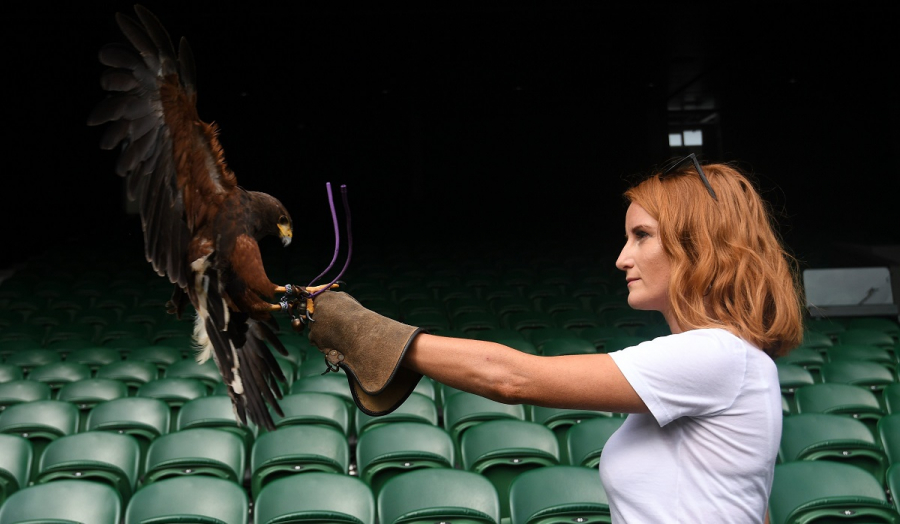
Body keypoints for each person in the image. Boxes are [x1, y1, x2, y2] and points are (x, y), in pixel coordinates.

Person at [307, 155, 804, 523]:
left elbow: (512, 379)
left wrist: (360, 330)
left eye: (642, 236)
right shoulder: (733, 361)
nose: (622, 258)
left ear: (697, 244)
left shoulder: (714, 355)